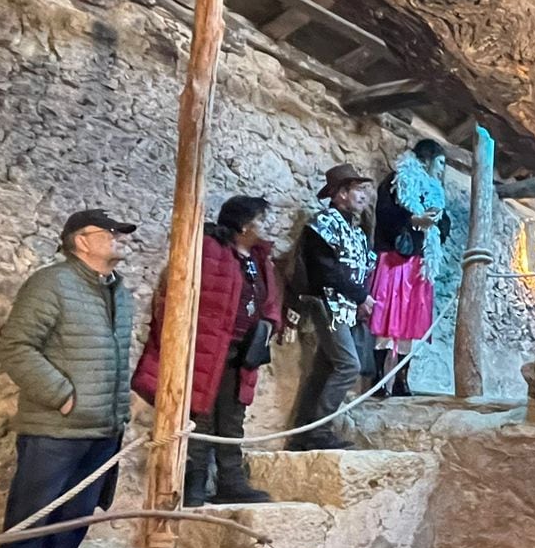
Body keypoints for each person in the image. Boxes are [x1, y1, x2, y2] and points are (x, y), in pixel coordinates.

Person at [0, 207, 136, 548]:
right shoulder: (52, 284)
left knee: (73, 522)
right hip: (56, 428)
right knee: (33, 521)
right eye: (109, 232)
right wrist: (62, 394)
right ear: (81, 240)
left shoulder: (119, 292)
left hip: (102, 429)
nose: (118, 239)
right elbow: (16, 347)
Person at [134, 195, 285, 506]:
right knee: (198, 417)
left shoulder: (258, 260)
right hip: (207, 349)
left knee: (231, 419)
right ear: (244, 224)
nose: (268, 226)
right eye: (262, 219)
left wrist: (269, 324)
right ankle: (193, 486)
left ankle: (231, 481)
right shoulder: (208, 251)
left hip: (242, 354)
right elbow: (174, 293)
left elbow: (269, 301)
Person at [289, 164, 377, 451]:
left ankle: (303, 432)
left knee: (324, 369)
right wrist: (360, 295)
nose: (363, 196)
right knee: (348, 365)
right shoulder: (323, 225)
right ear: (340, 194)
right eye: (357, 190)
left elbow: (358, 270)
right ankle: (319, 430)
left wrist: (361, 298)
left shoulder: (357, 231)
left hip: (347, 306)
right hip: (329, 304)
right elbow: (326, 272)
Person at [370, 140, 452, 398]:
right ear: (427, 159)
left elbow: (443, 225)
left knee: (409, 323)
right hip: (396, 259)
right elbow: (385, 214)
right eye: (440, 163)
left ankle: (401, 381)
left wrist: (438, 221)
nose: (441, 170)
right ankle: (378, 379)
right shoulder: (397, 180)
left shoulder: (436, 190)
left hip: (419, 262)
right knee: (386, 319)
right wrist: (412, 220)